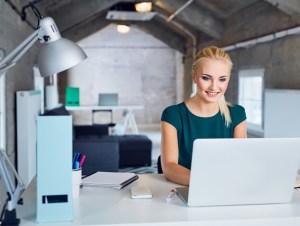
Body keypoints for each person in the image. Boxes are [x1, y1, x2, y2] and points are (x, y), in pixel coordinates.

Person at [160, 46, 247, 186]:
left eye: (222, 79)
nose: (214, 87)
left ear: (228, 79)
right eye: (206, 78)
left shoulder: (237, 114)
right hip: (186, 188)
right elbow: (169, 167)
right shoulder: (173, 115)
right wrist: (208, 183)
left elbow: (241, 161)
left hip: (226, 188)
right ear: (194, 77)